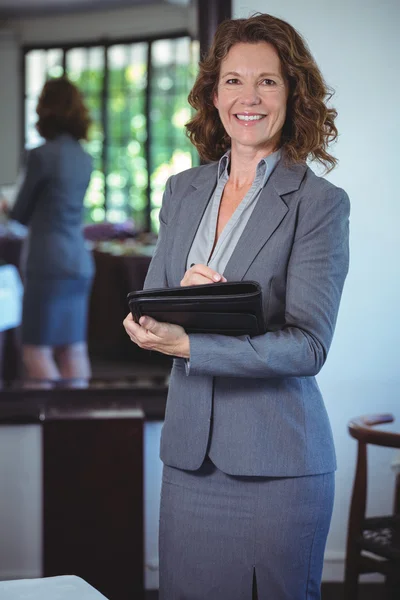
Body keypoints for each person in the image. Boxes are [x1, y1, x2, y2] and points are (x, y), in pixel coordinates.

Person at [124, 13, 350, 600]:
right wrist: (153, 324)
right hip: (189, 463)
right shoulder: (183, 189)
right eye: (232, 81)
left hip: (278, 464)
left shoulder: (319, 203)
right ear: (212, 93)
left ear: (292, 92)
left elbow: (308, 346)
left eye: (268, 81)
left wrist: (192, 342)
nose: (247, 98)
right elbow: (151, 305)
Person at [6, 77, 94, 387]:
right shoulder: (85, 158)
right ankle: (80, 427)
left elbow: (20, 215)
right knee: (74, 349)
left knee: (35, 352)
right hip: (79, 261)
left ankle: (56, 430)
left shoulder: (40, 155)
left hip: (47, 262)